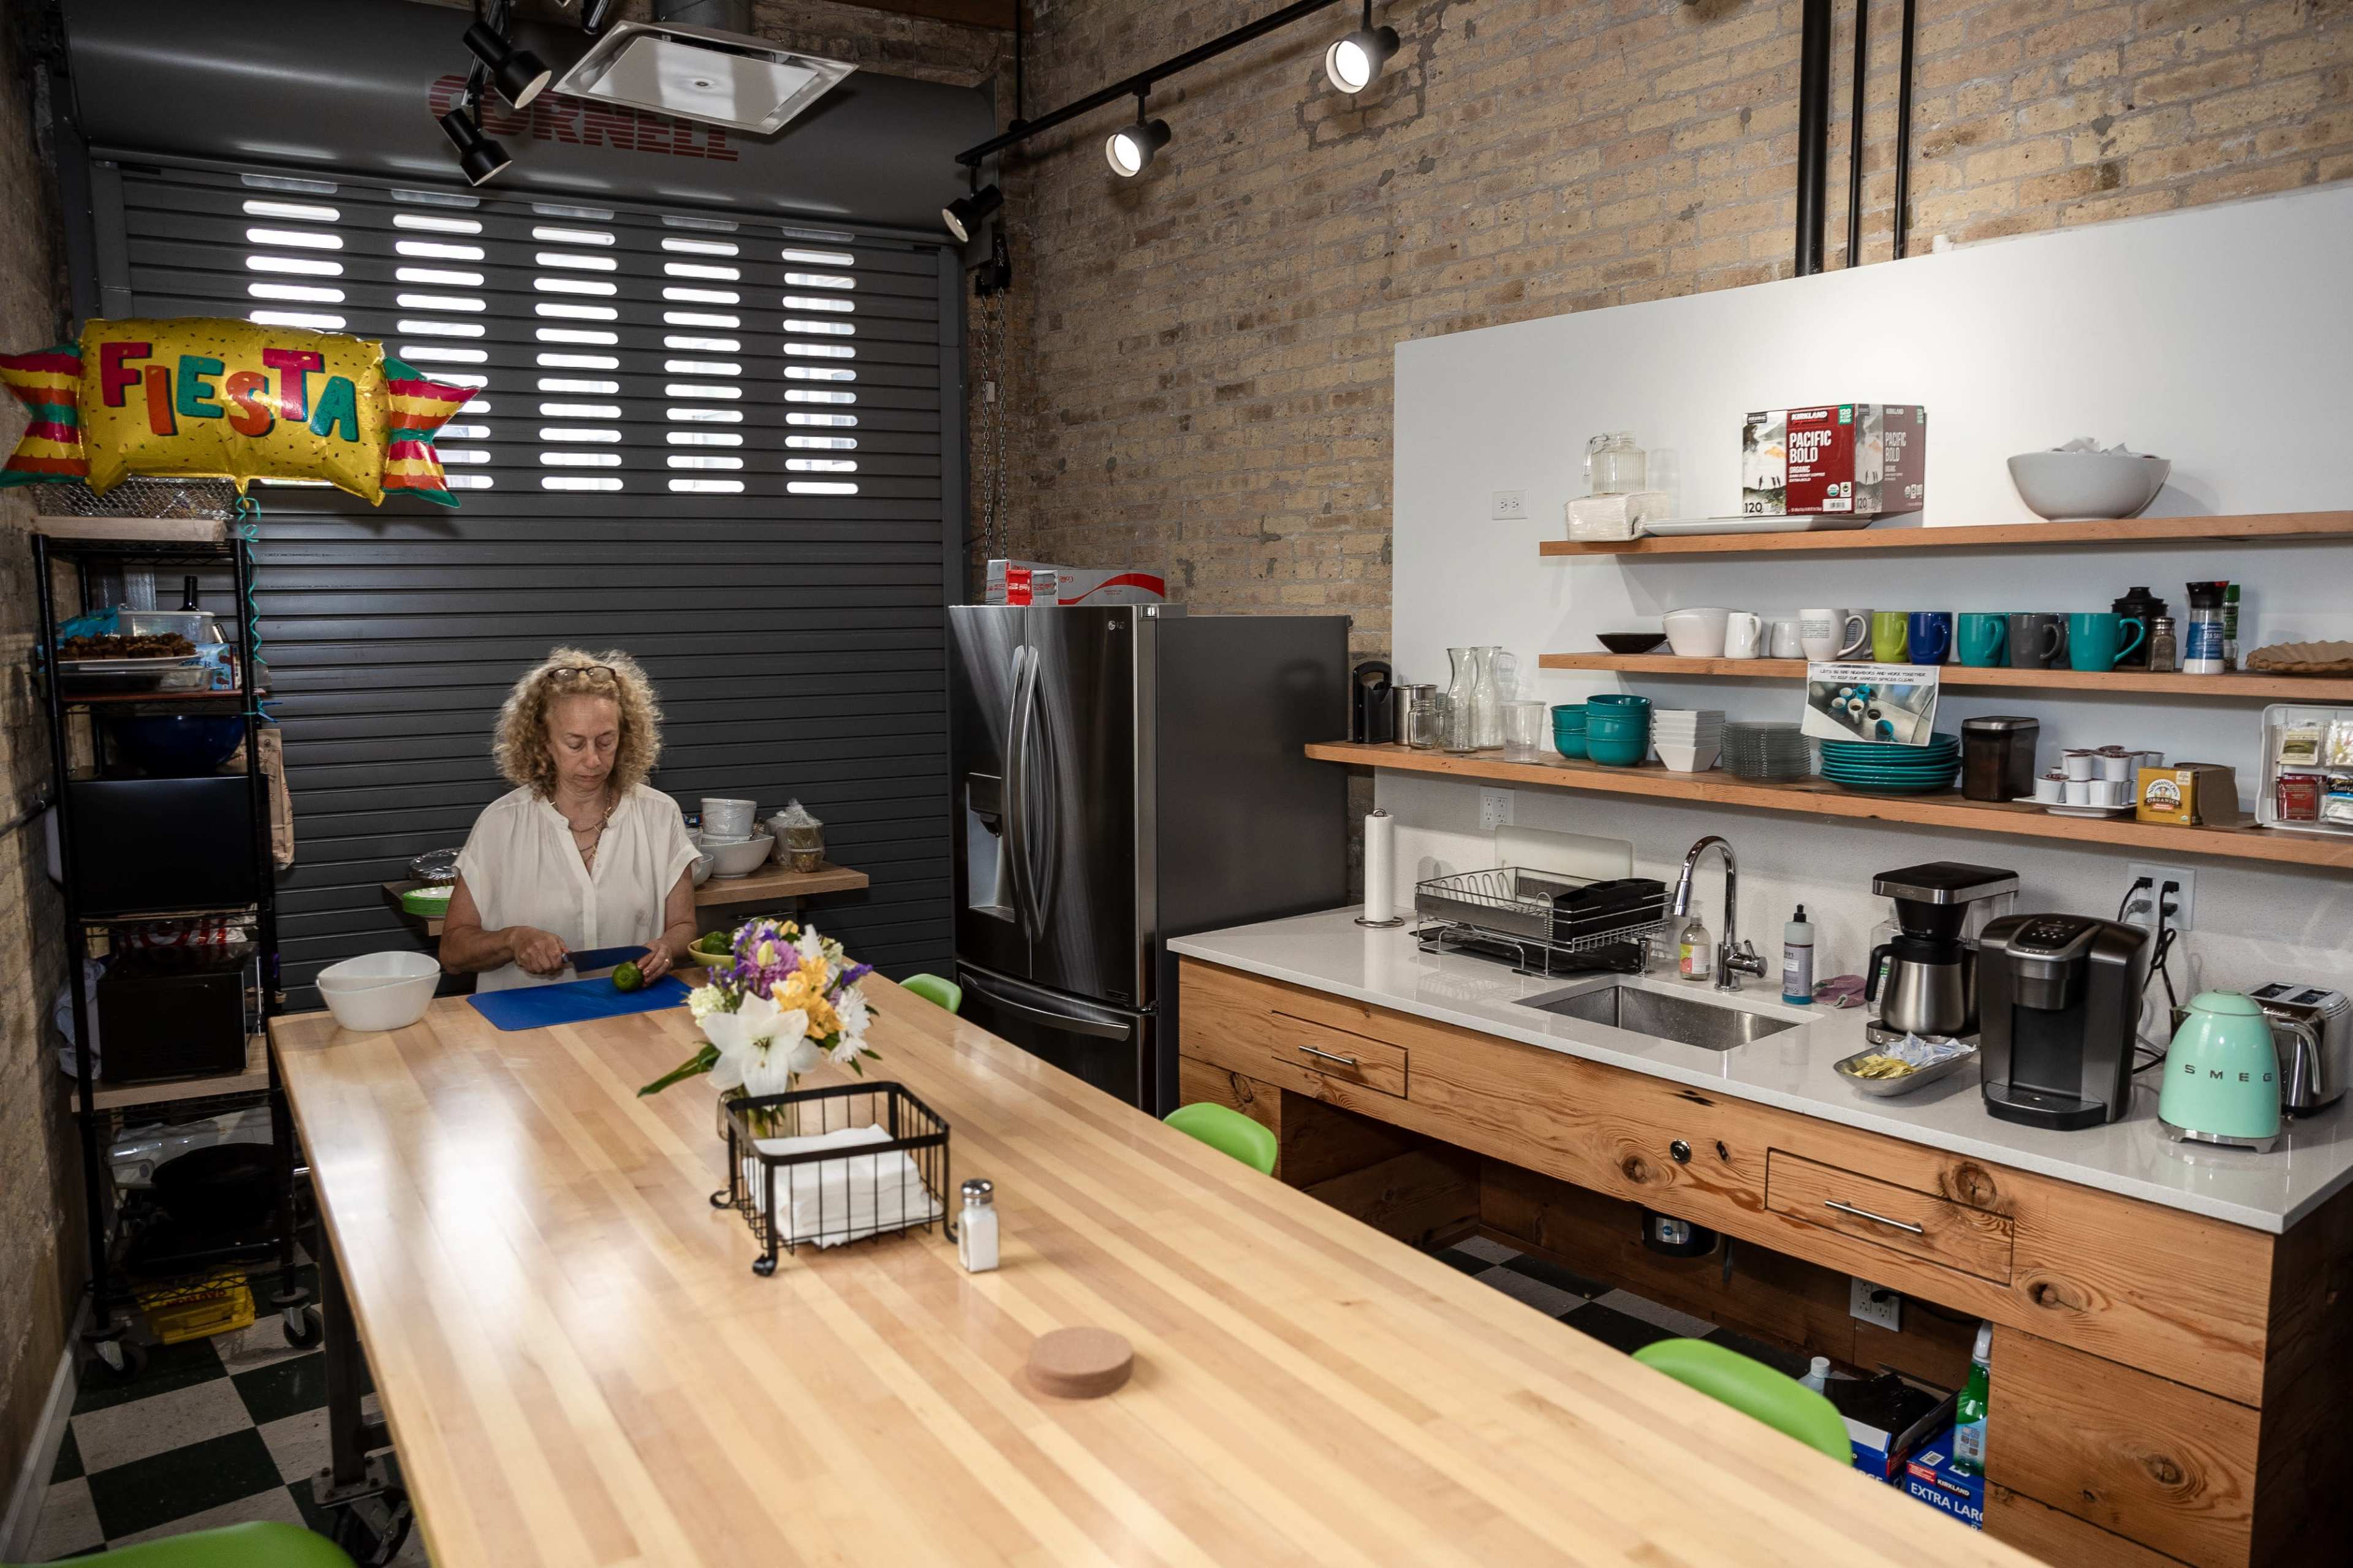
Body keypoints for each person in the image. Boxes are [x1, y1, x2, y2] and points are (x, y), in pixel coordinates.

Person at [439, 648, 699, 991]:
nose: (593, 760)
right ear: (544, 742)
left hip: (633, 1018)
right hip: (524, 1026)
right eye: (575, 744)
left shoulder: (659, 814)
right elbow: (453, 951)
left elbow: (683, 926)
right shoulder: (501, 824)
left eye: (606, 741)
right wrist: (513, 940)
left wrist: (666, 949)